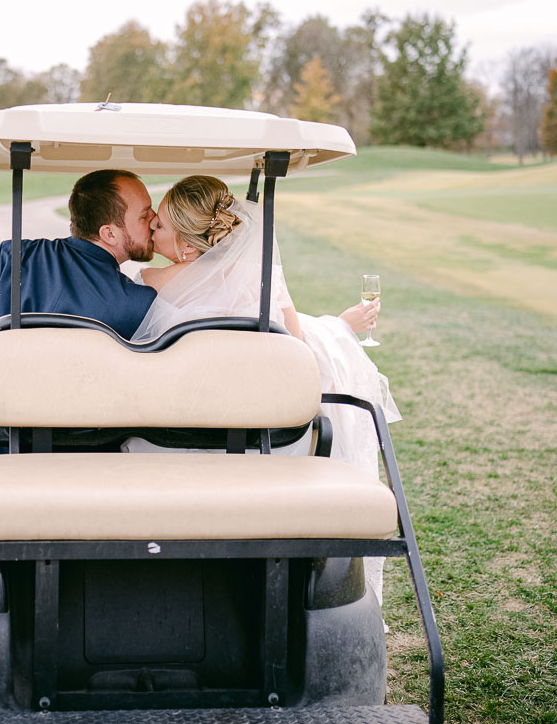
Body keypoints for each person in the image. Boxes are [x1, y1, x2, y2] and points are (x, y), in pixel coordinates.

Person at [130, 174, 400, 607]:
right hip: (267, 445)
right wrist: (339, 331)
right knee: (326, 339)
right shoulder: (262, 279)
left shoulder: (148, 281)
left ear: (184, 241)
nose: (152, 230)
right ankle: (344, 325)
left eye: (159, 224)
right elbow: (304, 358)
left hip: (174, 444)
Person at [0, 169, 158, 456]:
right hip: (82, 455)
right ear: (109, 233)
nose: (154, 221)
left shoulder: (14, 258)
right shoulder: (139, 303)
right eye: (145, 215)